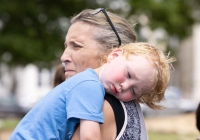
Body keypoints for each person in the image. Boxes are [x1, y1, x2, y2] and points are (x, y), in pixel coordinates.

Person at [9, 42, 175, 140]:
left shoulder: (87, 83)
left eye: (134, 90)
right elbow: (89, 137)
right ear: (114, 55)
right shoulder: (89, 86)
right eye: (128, 74)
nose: (125, 85)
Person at [61, 8, 144, 140]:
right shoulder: (124, 103)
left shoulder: (100, 108)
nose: (63, 57)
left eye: (76, 46)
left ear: (111, 54)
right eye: (66, 46)